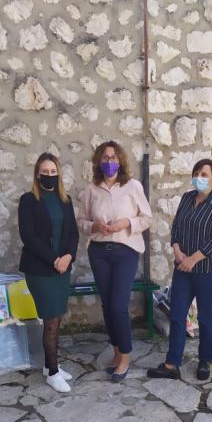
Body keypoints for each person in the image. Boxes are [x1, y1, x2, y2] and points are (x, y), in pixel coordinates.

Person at [147, 159, 212, 381]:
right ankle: (172, 363)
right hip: (182, 268)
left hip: (209, 270)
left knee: (205, 316)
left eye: (204, 174)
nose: (199, 177)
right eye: (196, 173)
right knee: (177, 314)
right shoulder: (186, 198)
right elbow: (176, 227)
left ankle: (205, 360)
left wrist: (193, 259)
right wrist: (176, 250)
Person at [77, 141, 152, 382]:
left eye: (114, 157)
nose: (110, 162)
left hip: (126, 251)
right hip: (99, 252)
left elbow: (147, 218)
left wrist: (126, 223)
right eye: (105, 158)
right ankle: (117, 351)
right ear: (98, 162)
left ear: (121, 161)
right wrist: (94, 226)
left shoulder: (133, 186)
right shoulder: (91, 190)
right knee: (107, 305)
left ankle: (126, 356)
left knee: (118, 305)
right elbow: (81, 222)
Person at [18, 153, 79, 393]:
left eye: (53, 172)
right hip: (40, 269)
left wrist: (68, 257)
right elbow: (28, 236)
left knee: (57, 316)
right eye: (45, 172)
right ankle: (53, 373)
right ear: (37, 174)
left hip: (62, 268)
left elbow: (73, 233)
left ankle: (48, 365)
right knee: (51, 319)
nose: (49, 176)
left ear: (59, 174)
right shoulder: (28, 200)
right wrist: (54, 259)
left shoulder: (65, 200)